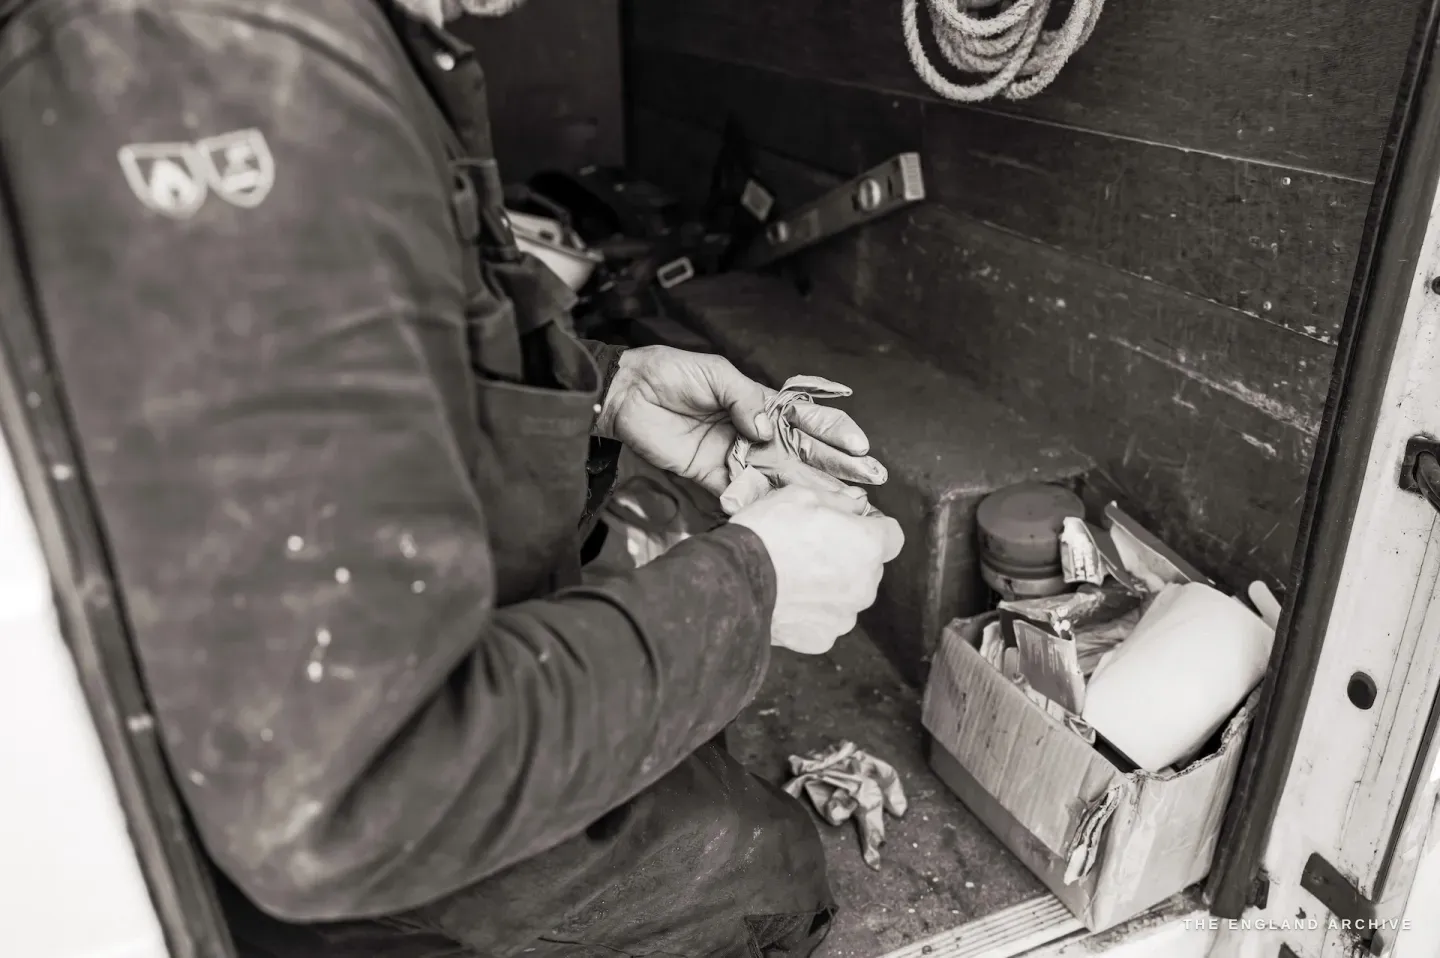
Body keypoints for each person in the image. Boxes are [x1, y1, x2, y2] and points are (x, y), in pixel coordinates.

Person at [0, 0, 906, 955]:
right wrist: (752, 587)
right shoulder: (217, 65)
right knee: (750, 879)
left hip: (392, 711)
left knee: (721, 816)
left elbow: (370, 379)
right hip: (348, 864)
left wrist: (604, 393)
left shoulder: (339, 39)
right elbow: (354, 791)